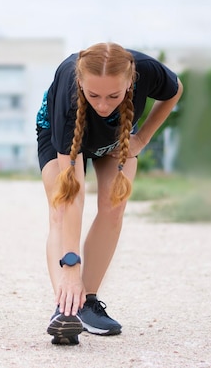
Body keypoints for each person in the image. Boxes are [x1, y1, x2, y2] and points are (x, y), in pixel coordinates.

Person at [35, 42, 183, 345]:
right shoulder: (68, 99)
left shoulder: (147, 70)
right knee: (60, 211)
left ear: (131, 82)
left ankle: (87, 301)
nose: (103, 105)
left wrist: (142, 138)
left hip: (117, 134)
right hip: (60, 132)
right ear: (80, 84)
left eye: (113, 96)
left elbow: (174, 90)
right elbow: (72, 193)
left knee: (114, 206)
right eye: (94, 96)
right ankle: (66, 310)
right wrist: (71, 266)